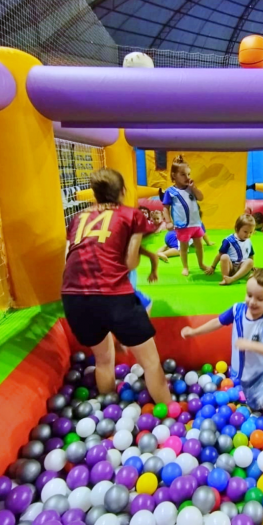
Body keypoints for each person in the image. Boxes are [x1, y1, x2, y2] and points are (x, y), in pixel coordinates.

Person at [62, 168, 171, 404]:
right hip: (112, 295)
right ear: (123, 191)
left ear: (95, 194)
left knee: (103, 359)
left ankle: (106, 410)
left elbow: (71, 255)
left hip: (73, 296)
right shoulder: (131, 215)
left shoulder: (78, 218)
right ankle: (170, 413)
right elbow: (130, 263)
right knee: (151, 363)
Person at [180, 269, 263, 418]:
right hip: (243, 370)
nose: (252, 302)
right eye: (249, 295)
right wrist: (194, 332)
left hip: (262, 372)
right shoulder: (237, 310)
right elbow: (217, 322)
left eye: (260, 299)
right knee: (254, 403)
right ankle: (262, 401)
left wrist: (250, 345)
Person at [162, 155, 207, 276]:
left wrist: (194, 188)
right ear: (174, 175)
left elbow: (201, 197)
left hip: (196, 224)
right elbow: (165, 208)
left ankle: (201, 264)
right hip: (182, 226)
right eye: (183, 174)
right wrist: (168, 222)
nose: (187, 177)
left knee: (199, 246)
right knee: (183, 248)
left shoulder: (191, 188)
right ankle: (185, 267)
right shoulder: (170, 192)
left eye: (188, 174)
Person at [206, 214, 255, 285]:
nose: (248, 235)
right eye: (245, 232)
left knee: (250, 261)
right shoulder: (228, 240)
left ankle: (233, 278)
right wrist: (213, 267)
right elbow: (220, 255)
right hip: (230, 266)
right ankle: (225, 278)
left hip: (241, 267)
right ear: (237, 229)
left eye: (250, 232)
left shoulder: (248, 241)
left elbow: (251, 255)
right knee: (224, 257)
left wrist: (251, 267)